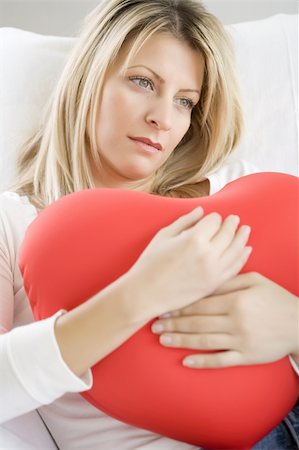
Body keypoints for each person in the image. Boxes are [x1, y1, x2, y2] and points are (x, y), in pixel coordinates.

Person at [0, 0, 298, 449]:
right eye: (143, 82)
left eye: (185, 101)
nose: (163, 117)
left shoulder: (240, 190)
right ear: (89, 78)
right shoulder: (13, 222)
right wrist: (141, 293)